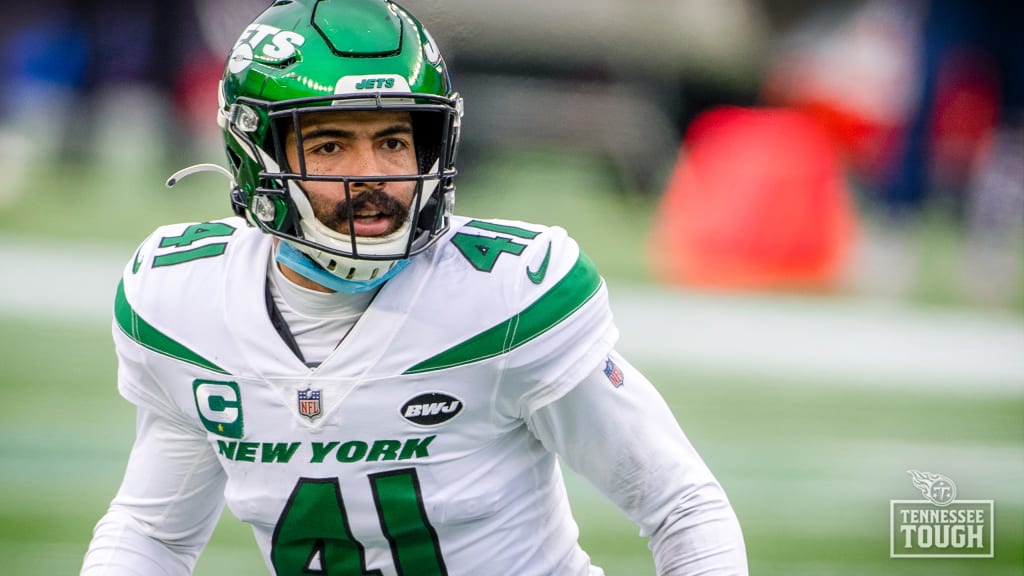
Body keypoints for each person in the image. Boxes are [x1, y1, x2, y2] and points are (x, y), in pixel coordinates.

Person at [81, 1, 748, 574]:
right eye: (333, 146)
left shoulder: (507, 294)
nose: (372, 176)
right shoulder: (180, 304)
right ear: (257, 156)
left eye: (395, 142)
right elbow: (153, 535)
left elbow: (682, 507)